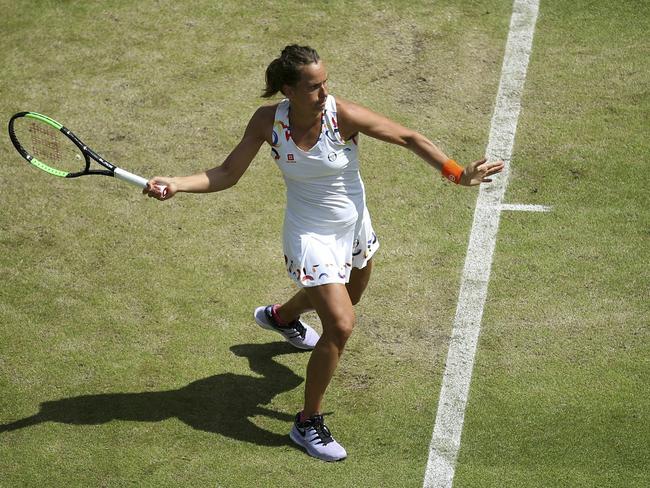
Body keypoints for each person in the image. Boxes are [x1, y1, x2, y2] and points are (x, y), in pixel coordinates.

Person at [145, 44, 504, 462]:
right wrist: (176, 183)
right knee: (341, 324)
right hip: (309, 236)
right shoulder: (268, 122)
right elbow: (226, 173)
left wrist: (457, 173)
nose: (324, 92)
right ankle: (306, 422)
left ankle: (283, 316)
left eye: (325, 83)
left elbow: (409, 137)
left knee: (350, 296)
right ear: (288, 90)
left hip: (353, 226)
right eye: (314, 87)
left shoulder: (341, 114)